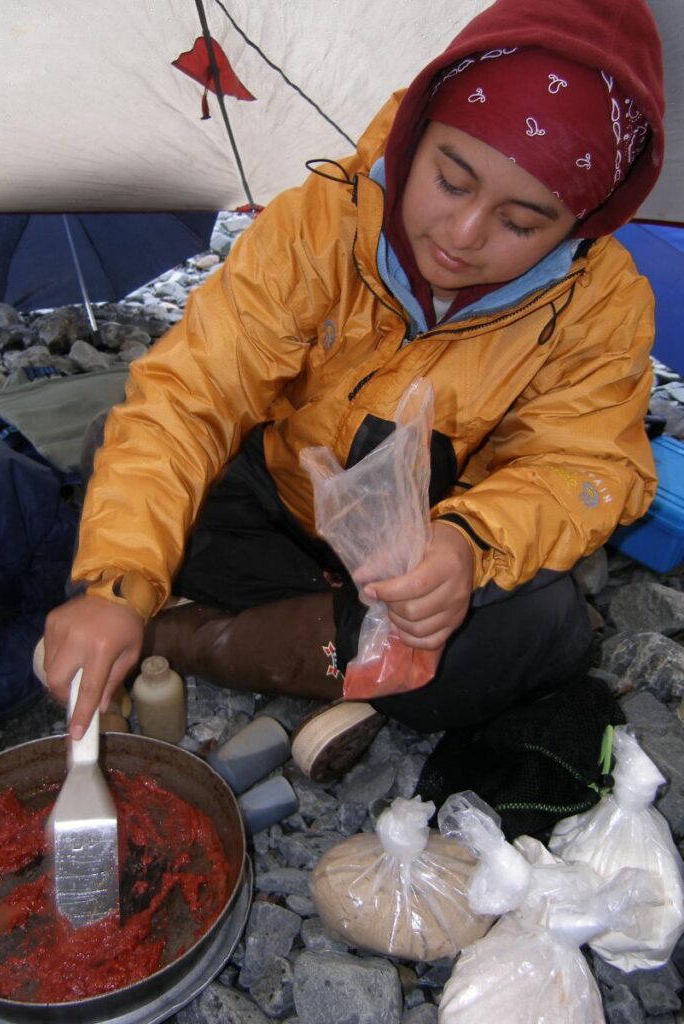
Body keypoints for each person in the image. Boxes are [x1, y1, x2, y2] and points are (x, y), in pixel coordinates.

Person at [43, 0, 664, 781]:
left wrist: (468, 547)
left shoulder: (601, 305)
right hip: (276, 504)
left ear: (581, 221)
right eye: (450, 178)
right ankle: (325, 648)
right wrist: (114, 584)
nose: (463, 234)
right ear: (414, 138)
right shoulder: (321, 223)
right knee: (121, 446)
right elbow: (191, 391)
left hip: (418, 562)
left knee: (538, 631)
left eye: (521, 221)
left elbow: (592, 464)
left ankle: (183, 639)